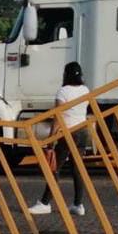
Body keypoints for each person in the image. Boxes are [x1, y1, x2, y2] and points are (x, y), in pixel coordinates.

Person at [29, 62, 90, 217]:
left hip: (67, 133)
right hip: (82, 131)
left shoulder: (63, 92)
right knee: (77, 169)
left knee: (55, 168)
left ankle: (45, 203)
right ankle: (78, 204)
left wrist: (50, 141)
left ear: (66, 74)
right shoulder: (85, 90)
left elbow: (58, 117)